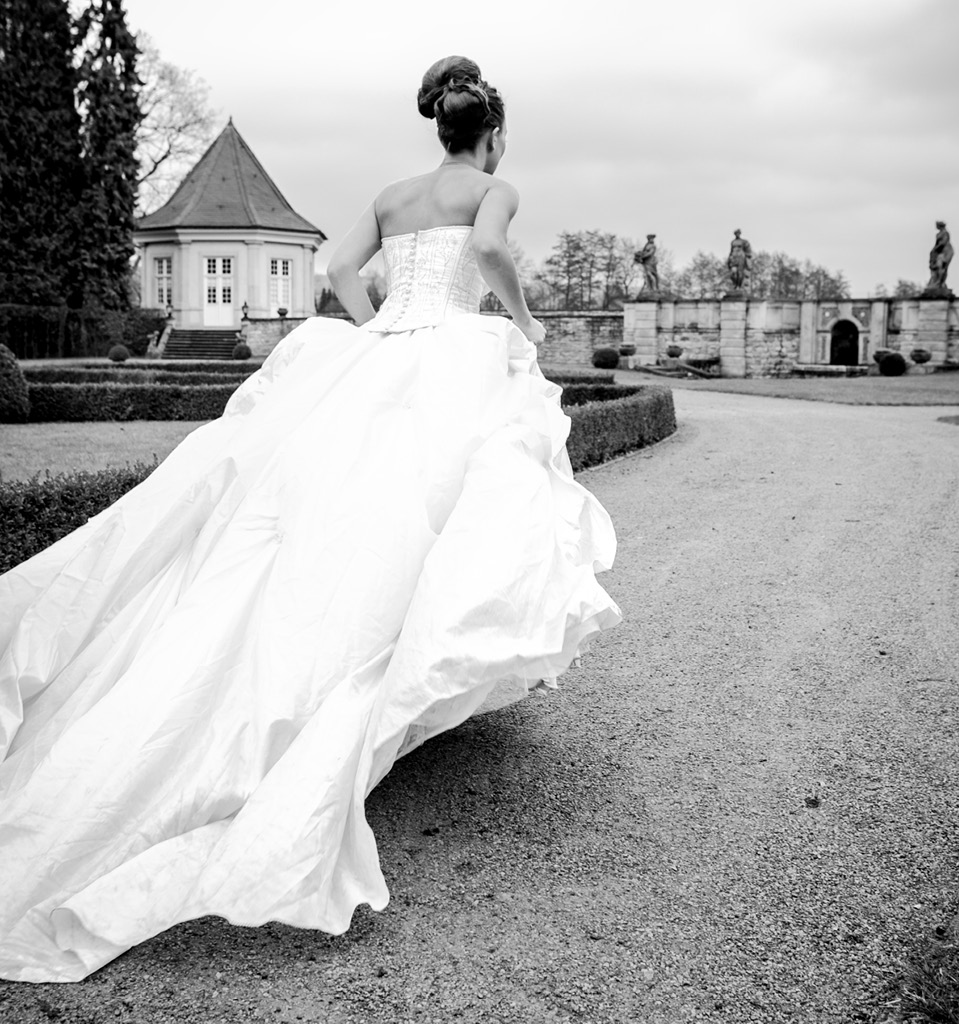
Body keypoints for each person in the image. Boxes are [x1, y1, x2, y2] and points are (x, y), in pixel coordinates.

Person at [0, 56, 621, 983]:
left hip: (383, 352)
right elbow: (489, 253)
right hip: (451, 353)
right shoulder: (497, 187)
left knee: (329, 516)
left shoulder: (390, 191)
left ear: (435, 127)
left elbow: (334, 266)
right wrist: (522, 323)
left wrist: (379, 325)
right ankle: (389, 677)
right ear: (489, 134)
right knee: (447, 511)